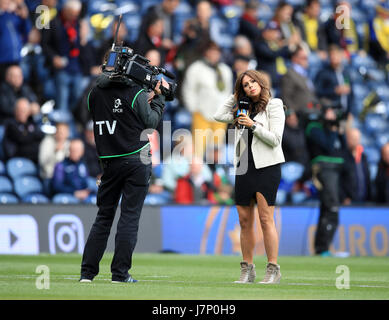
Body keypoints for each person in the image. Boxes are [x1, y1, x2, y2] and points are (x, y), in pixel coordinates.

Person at [79, 49, 169, 283]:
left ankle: (87, 274)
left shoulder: (94, 93)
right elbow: (150, 122)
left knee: (103, 217)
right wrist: (158, 99)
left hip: (109, 163)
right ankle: (119, 274)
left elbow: (98, 108)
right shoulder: (136, 91)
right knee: (129, 217)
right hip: (136, 159)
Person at [214, 70, 285, 284]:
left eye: (253, 82)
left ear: (261, 83)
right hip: (243, 166)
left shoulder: (274, 104)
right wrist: (235, 96)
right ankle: (247, 269)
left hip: (266, 167)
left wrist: (252, 125)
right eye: (245, 85)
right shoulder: (241, 108)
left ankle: (273, 268)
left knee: (265, 219)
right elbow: (218, 115)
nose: (250, 86)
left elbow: (275, 140)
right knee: (244, 221)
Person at [305, 105, 347, 256]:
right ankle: (323, 248)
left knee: (327, 208)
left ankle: (322, 248)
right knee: (331, 208)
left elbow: (343, 148)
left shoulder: (333, 128)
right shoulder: (313, 127)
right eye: (330, 112)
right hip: (323, 169)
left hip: (336, 170)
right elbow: (329, 146)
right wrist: (332, 129)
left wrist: (338, 130)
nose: (333, 115)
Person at [182, 40, 233, 159]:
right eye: (212, 51)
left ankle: (214, 174)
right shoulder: (196, 68)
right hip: (202, 114)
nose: (215, 54)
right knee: (199, 150)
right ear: (206, 52)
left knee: (216, 151)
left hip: (219, 116)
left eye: (217, 52)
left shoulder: (225, 70)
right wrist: (194, 109)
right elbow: (188, 90)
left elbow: (228, 91)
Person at [280, 46, 319, 127]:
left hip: (310, 114)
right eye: (304, 58)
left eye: (307, 58)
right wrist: (291, 113)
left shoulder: (304, 74)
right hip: (299, 117)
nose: (307, 60)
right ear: (294, 58)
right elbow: (285, 96)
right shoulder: (289, 74)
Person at [2, 97, 44, 163]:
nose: (22, 112)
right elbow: (22, 138)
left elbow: (41, 135)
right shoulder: (11, 124)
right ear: (15, 111)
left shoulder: (31, 122)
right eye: (19, 110)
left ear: (29, 111)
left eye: (24, 110)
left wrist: (29, 135)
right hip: (16, 158)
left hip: (33, 158)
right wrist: (32, 135)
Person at [341, 127, 372, 205]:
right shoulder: (342, 157)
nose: (355, 141)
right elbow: (338, 180)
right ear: (347, 139)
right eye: (352, 138)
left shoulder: (364, 158)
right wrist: (343, 197)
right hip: (349, 202)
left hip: (364, 201)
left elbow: (367, 179)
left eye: (357, 138)